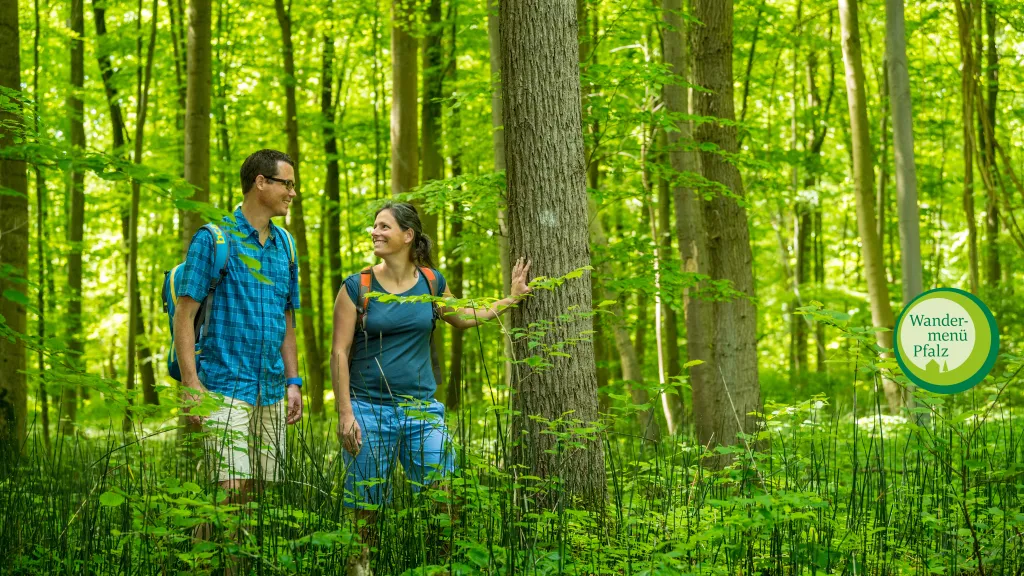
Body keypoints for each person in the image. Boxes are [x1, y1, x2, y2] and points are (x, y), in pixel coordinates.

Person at [330, 201, 531, 538]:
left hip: (421, 412)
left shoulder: (431, 282)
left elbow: (464, 317)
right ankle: (360, 565)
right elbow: (339, 351)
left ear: (408, 235)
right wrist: (345, 413)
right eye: (375, 226)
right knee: (363, 514)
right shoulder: (357, 287)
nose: (374, 232)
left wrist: (511, 298)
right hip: (366, 411)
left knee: (444, 500)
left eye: (383, 226)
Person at [174, 148, 303, 504]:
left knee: (258, 495)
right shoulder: (214, 239)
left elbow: (286, 318)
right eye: (286, 184)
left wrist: (294, 382)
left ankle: (232, 562)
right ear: (260, 183)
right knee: (230, 492)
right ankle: (201, 562)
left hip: (272, 388)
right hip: (224, 386)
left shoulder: (286, 247)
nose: (292, 192)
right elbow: (184, 315)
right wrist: (191, 384)